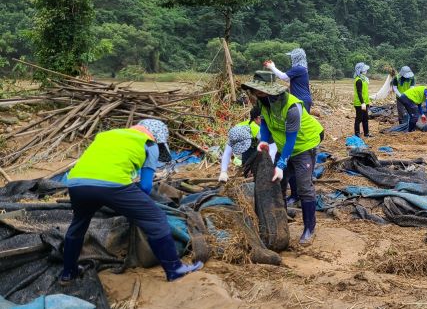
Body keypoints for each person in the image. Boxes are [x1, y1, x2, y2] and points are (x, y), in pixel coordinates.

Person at [61, 119, 202, 284]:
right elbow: (145, 186)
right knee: (157, 220)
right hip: (112, 185)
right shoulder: (149, 144)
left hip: (77, 183)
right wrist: (133, 207)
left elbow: (98, 168)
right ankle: (175, 270)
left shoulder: (106, 136)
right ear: (157, 136)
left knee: (78, 225)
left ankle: (68, 272)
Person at [241, 71, 324, 246]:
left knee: (304, 187)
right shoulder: (264, 103)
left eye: (259, 90)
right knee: (278, 182)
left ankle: (309, 228)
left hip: (303, 146)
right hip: (283, 145)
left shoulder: (292, 107)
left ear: (271, 90)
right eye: (254, 91)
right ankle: (281, 220)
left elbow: (291, 139)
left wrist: (281, 162)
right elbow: (264, 123)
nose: (255, 94)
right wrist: (263, 140)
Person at [218, 106, 277, 182]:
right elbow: (227, 152)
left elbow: (271, 149)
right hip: (251, 147)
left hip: (260, 145)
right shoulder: (234, 133)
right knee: (247, 170)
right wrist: (223, 172)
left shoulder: (258, 130)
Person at [264, 48, 313, 113]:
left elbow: (283, 77)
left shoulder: (298, 68)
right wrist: (273, 67)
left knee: (300, 121)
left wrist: (272, 67)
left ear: (296, 57)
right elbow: (287, 79)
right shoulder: (302, 68)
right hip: (302, 99)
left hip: (301, 99)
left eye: (292, 57)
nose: (291, 59)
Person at [353, 62, 372, 137]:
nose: (366, 71)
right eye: (364, 69)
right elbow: (359, 92)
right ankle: (357, 134)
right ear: (360, 70)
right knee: (359, 119)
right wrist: (362, 103)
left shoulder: (364, 79)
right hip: (359, 103)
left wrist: (367, 102)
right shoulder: (359, 80)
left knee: (365, 119)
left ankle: (366, 133)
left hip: (365, 102)